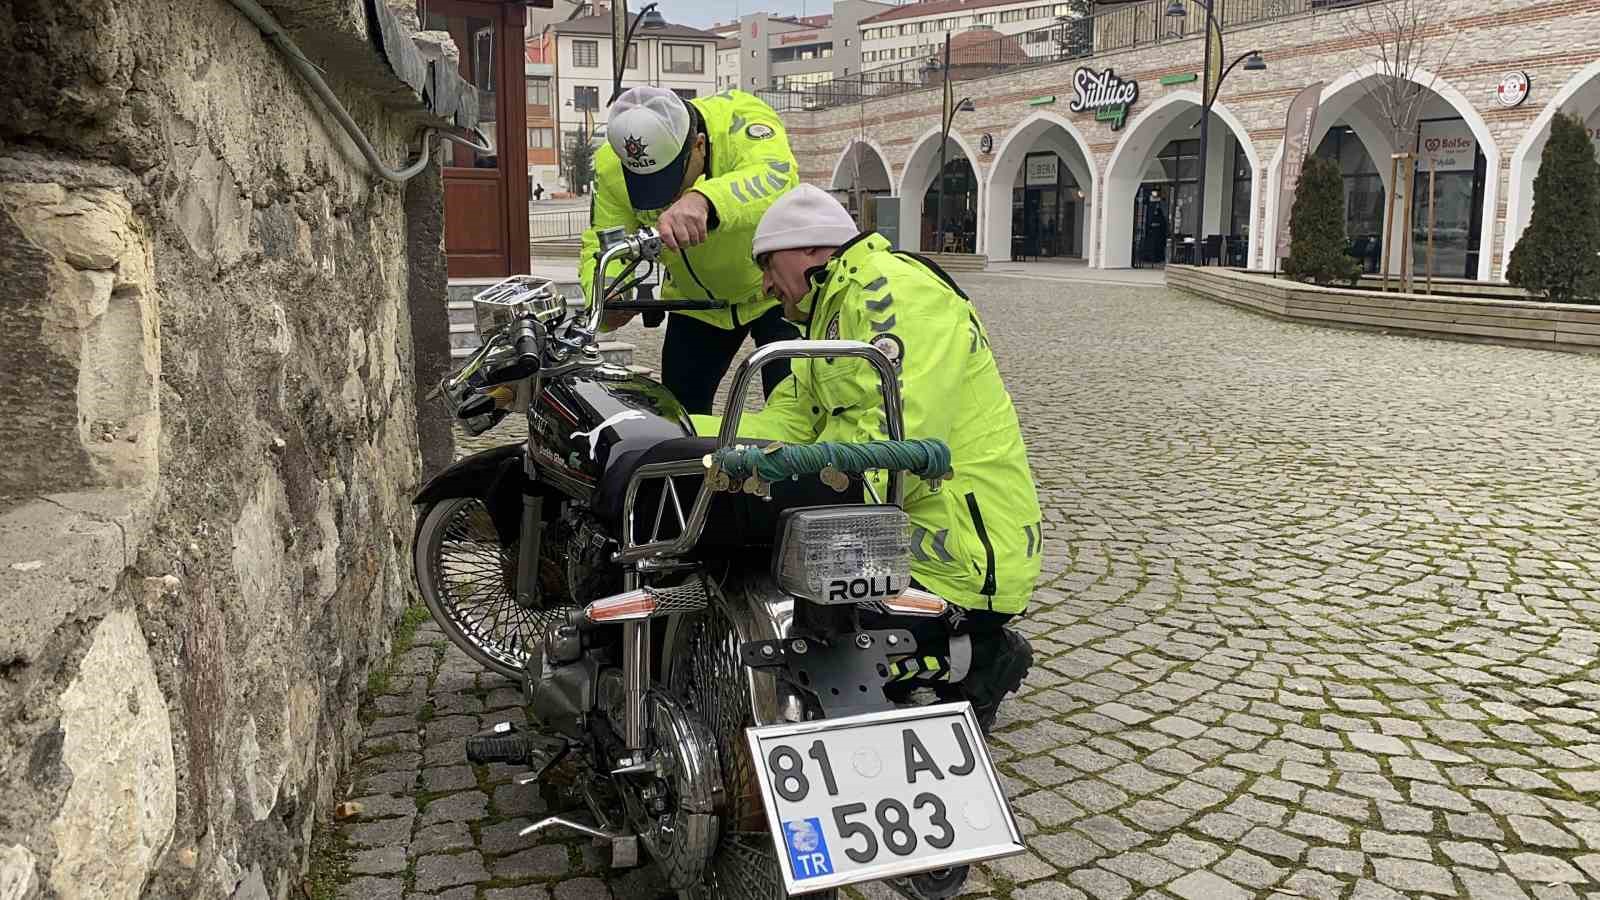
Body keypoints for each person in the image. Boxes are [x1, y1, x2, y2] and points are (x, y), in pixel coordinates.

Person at [695, 184, 1041, 732]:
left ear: (808, 250)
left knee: (773, 586)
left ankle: (979, 653)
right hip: (900, 528)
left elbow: (899, 442)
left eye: (766, 263)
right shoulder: (824, 320)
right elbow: (773, 427)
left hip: (952, 553)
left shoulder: (892, 290)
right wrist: (676, 433)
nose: (763, 283)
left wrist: (797, 505)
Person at [580, 87, 801, 414]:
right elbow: (604, 241)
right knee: (679, 418)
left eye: (671, 180)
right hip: (695, 301)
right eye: (649, 185)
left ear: (699, 145)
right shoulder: (613, 161)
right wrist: (606, 295)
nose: (665, 197)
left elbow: (778, 177)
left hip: (775, 293)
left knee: (796, 408)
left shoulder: (741, 117)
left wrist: (704, 199)